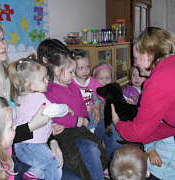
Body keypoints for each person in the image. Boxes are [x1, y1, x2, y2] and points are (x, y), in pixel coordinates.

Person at [111, 27, 175, 180]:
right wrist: (148, 139)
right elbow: (173, 125)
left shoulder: (159, 81)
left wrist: (118, 123)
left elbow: (138, 132)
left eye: (136, 57)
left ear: (148, 53)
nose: (135, 63)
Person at [0, 18, 62, 180]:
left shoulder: (17, 77)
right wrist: (32, 126)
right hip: (1, 162)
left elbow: (36, 109)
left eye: (2, 39)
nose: (2, 45)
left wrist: (52, 140)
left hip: (33, 149)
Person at [37, 38, 109, 180]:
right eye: (71, 72)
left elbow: (82, 105)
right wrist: (77, 120)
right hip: (65, 133)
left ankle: (101, 171)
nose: (74, 75)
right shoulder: (48, 90)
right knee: (80, 154)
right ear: (56, 69)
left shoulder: (73, 86)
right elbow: (54, 114)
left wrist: (86, 118)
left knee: (97, 145)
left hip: (80, 127)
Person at [9, 58, 68, 180]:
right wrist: (66, 108)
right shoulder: (38, 97)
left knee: (43, 162)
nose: (47, 81)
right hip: (33, 146)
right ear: (28, 84)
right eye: (43, 79)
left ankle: (34, 173)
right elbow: (54, 110)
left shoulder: (18, 99)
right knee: (54, 162)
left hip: (21, 147)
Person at [92, 62, 124, 157]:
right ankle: (114, 159)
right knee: (113, 135)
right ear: (94, 80)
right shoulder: (91, 91)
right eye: (100, 78)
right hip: (99, 122)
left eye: (107, 78)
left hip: (114, 120)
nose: (104, 82)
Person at [72, 49, 102, 132]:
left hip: (91, 112)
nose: (85, 71)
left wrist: (96, 105)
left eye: (87, 67)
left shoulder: (93, 82)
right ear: (73, 69)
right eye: (81, 68)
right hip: (78, 113)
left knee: (93, 114)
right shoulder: (71, 82)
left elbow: (99, 97)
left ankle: (92, 130)